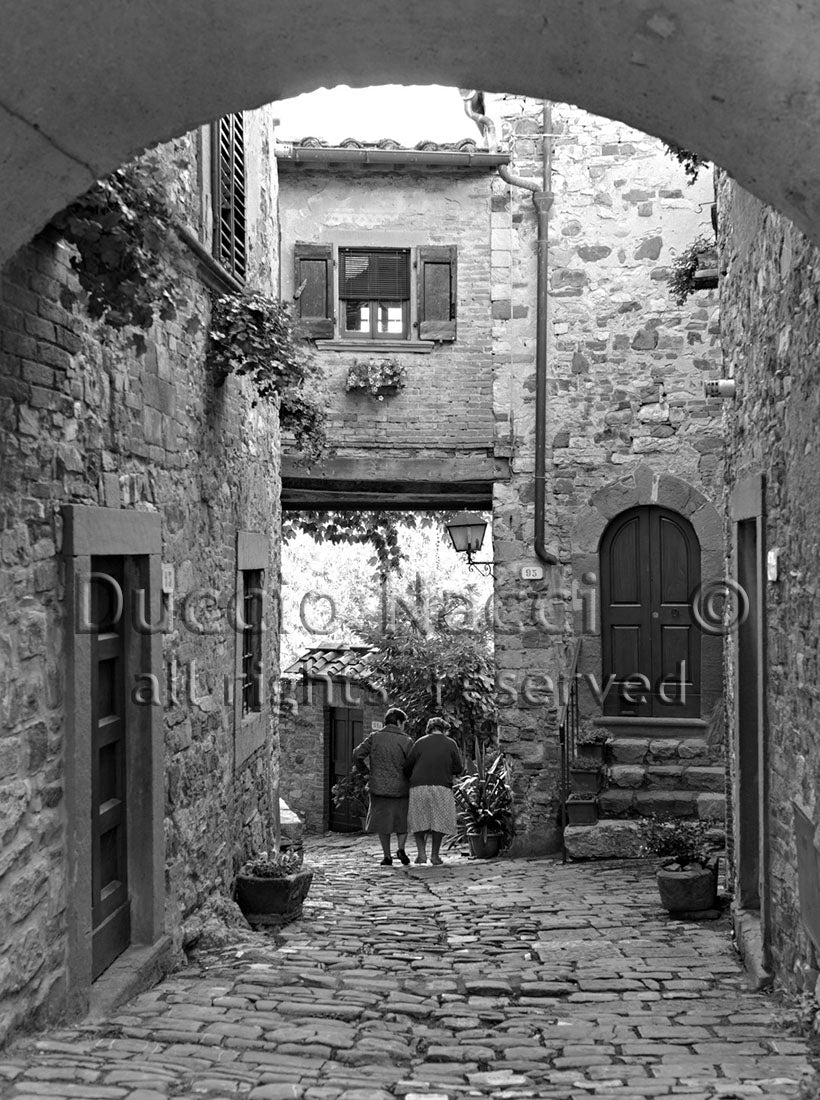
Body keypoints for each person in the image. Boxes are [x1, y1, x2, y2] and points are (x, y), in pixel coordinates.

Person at [352, 706, 412, 866]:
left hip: (378, 787)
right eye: (403, 723)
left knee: (383, 822)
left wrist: (365, 773)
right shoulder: (406, 741)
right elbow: (412, 764)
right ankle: (401, 849)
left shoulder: (374, 737)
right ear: (399, 722)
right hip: (401, 787)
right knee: (402, 821)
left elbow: (357, 754)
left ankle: (387, 856)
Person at [404, 716, 463, 866]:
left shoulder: (420, 742)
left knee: (419, 820)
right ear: (444, 729)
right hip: (442, 785)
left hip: (419, 786)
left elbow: (407, 766)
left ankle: (421, 854)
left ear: (429, 729)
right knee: (439, 822)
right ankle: (435, 856)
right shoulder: (451, 744)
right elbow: (458, 768)